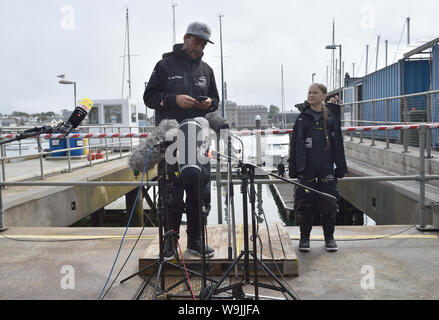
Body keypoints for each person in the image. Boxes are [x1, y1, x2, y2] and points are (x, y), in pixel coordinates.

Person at [144, 22, 220, 260]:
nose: (200, 47)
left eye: (204, 44)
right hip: (171, 140)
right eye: (197, 42)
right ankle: (170, 242)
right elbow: (149, 97)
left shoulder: (206, 70)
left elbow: (216, 101)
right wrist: (173, 99)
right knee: (172, 194)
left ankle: (196, 241)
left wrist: (209, 104)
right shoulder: (164, 65)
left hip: (200, 141)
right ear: (186, 38)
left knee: (199, 191)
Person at [289, 83, 348, 252]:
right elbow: (294, 145)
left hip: (326, 168)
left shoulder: (331, 117)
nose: (311, 95)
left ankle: (329, 238)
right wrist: (293, 168)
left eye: (315, 93)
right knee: (305, 205)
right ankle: (304, 239)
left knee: (329, 204)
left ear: (324, 95)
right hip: (306, 169)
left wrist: (341, 167)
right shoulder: (302, 118)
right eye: (309, 92)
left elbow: (338, 144)